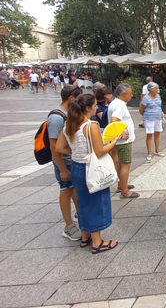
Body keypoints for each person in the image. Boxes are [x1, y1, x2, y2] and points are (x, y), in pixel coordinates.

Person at [55, 93, 119, 254]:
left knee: (83, 203)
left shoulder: (69, 124)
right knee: (95, 203)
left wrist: (77, 151)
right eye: (95, 105)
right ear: (88, 108)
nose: (97, 107)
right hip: (91, 168)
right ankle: (97, 242)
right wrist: (113, 142)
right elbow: (99, 151)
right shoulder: (91, 126)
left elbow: (59, 148)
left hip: (76, 167)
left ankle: (85, 237)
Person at [48, 85, 84, 241]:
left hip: (73, 159)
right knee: (66, 190)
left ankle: (79, 215)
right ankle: (68, 226)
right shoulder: (56, 117)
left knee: (74, 189)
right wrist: (62, 169)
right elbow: (54, 146)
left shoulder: (69, 113)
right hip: (64, 162)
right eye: (78, 99)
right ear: (71, 98)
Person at [108, 83, 139, 199]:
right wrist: (121, 135)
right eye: (130, 94)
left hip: (119, 141)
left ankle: (122, 184)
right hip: (123, 141)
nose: (132, 96)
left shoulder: (115, 103)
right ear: (124, 94)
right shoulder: (120, 105)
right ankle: (125, 191)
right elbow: (114, 120)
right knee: (126, 164)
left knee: (121, 163)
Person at [140, 82, 165, 162]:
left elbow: (159, 106)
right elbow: (141, 109)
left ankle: (157, 150)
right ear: (151, 90)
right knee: (149, 135)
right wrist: (145, 116)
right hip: (149, 118)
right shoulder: (146, 98)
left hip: (158, 117)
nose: (157, 90)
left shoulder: (158, 97)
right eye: (156, 89)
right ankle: (149, 153)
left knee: (157, 133)